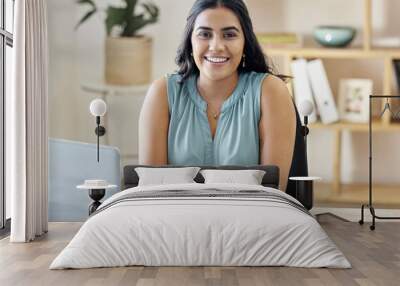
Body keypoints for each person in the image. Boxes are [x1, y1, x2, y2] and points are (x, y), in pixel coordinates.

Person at [139, 0, 306, 192]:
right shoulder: (162, 92)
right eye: (204, 34)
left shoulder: (270, 91)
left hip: (252, 217)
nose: (216, 46)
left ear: (245, 42)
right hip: (175, 219)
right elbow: (151, 193)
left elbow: (271, 193)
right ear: (190, 42)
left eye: (229, 35)